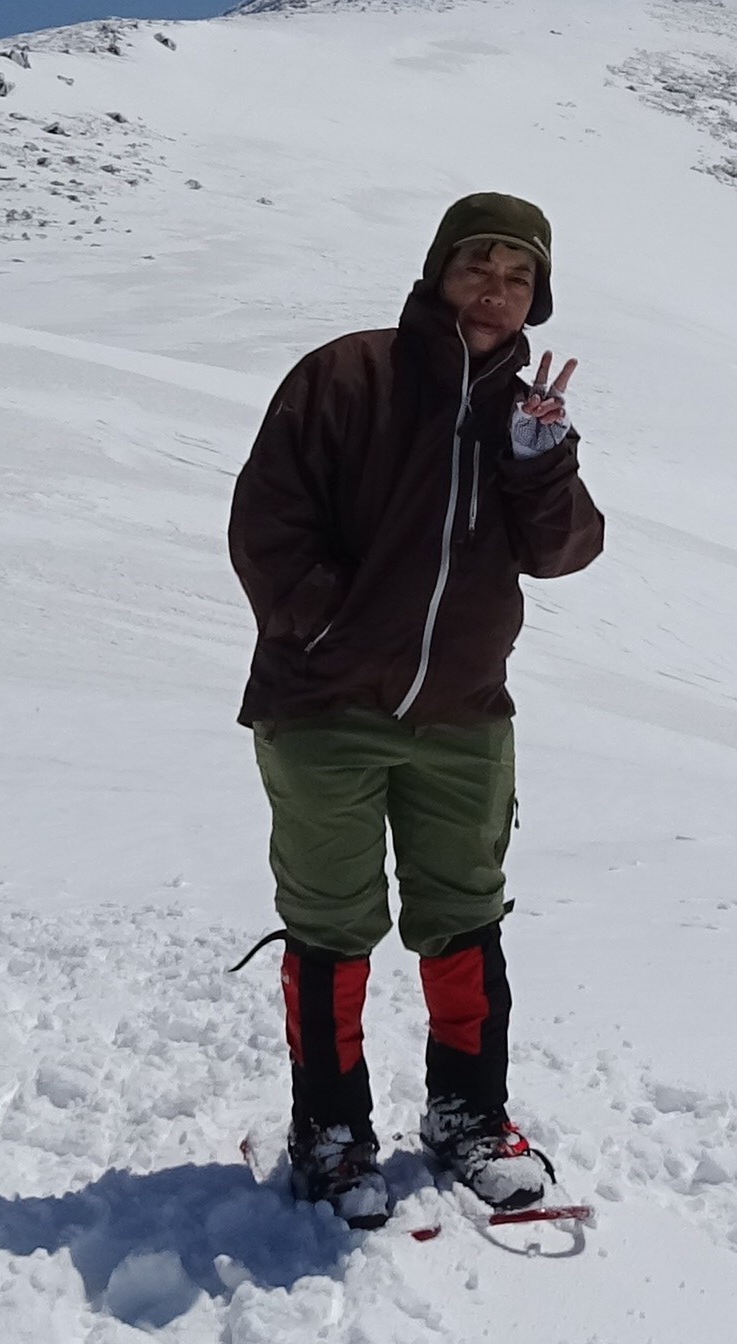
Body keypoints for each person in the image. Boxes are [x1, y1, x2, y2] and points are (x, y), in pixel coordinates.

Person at [226, 192, 606, 1226]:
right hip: (324, 707)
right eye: (479, 265)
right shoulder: (348, 375)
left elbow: (565, 550)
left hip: (463, 716)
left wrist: (542, 462)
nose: (495, 290)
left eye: (518, 276)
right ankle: (331, 1128)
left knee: (464, 917)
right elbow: (267, 524)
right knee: (330, 922)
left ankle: (467, 1115)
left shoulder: (523, 412)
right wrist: (327, 633)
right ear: (439, 271)